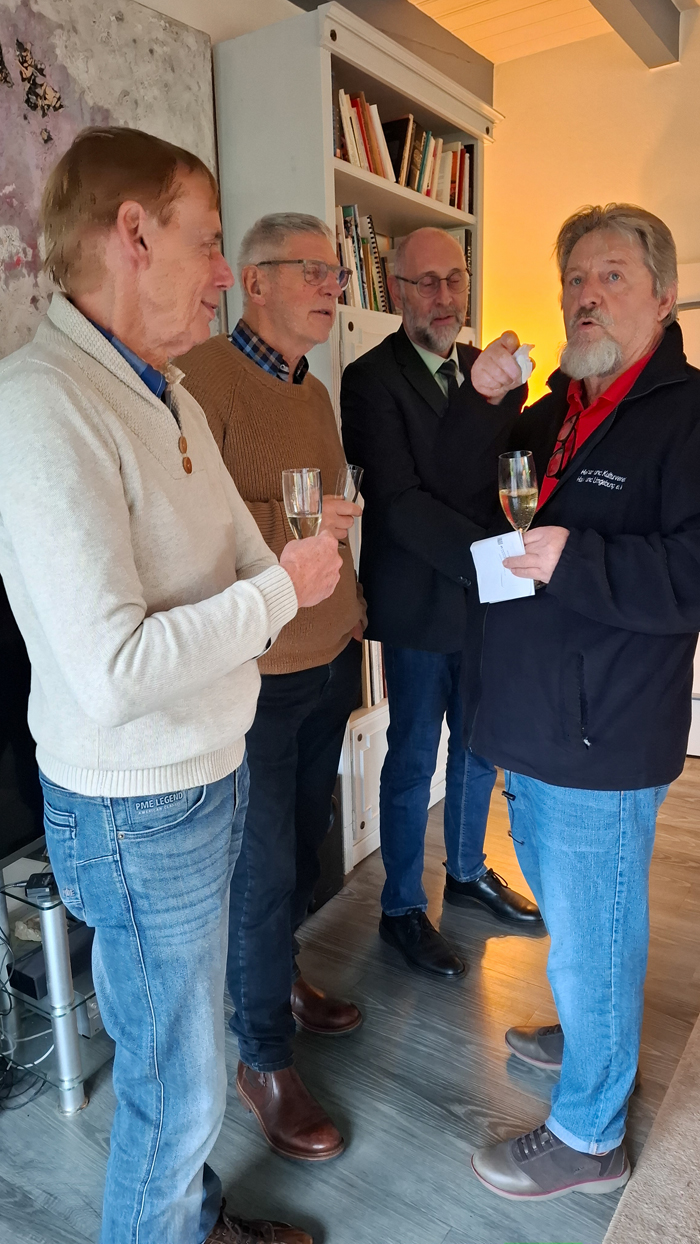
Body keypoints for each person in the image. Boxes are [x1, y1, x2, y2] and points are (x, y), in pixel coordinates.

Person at [0, 128, 342, 1244]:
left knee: (182, 1059)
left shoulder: (171, 394)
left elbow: (247, 554)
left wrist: (273, 582)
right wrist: (280, 591)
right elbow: (113, 672)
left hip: (206, 768)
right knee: (178, 1085)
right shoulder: (41, 404)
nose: (224, 274)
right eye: (208, 241)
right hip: (137, 804)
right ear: (133, 235)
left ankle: (190, 1222)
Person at [467, 204, 700, 1200]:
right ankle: (593, 1034)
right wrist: (481, 401)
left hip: (604, 728)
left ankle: (589, 1138)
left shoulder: (689, 415)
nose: (585, 295)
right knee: (580, 912)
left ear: (663, 295)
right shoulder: (550, 410)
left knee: (596, 924)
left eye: (610, 275)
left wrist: (579, 557)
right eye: (574, 278)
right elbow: (480, 505)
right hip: (535, 715)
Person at [178, 213, 365, 1163]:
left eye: (336, 274)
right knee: (259, 874)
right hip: (257, 674)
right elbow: (191, 524)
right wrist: (300, 516)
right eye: (314, 272)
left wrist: (350, 602)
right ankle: (262, 1059)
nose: (333, 287)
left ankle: (280, 981)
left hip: (329, 655)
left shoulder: (316, 390)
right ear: (254, 282)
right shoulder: (200, 380)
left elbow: (323, 528)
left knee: (300, 848)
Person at [341, 226, 541, 979]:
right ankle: (400, 908)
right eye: (425, 282)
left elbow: (508, 478)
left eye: (454, 279)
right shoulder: (369, 379)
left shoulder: (489, 372)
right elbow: (399, 504)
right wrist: (494, 562)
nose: (444, 296)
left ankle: (464, 871)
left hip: (484, 605)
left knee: (480, 748)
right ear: (397, 290)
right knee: (413, 756)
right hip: (420, 604)